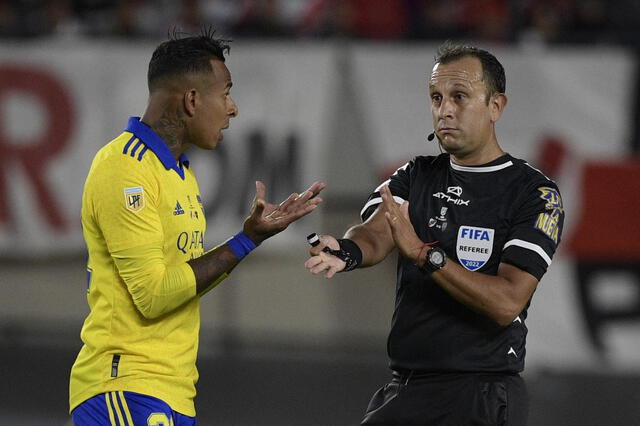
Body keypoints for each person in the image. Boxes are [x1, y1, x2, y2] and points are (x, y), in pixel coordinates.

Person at [69, 30, 325, 425]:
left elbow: (182, 282)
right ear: (191, 99)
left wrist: (250, 239)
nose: (233, 108)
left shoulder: (181, 176)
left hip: (170, 390)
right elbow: (154, 295)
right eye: (225, 93)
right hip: (124, 385)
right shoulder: (124, 168)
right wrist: (243, 242)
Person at [305, 42, 564, 425]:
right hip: (406, 388)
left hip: (479, 394)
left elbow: (507, 303)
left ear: (496, 106)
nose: (444, 109)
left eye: (460, 96)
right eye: (436, 97)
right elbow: (377, 232)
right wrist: (347, 250)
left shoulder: (533, 194)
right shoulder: (418, 174)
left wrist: (426, 255)